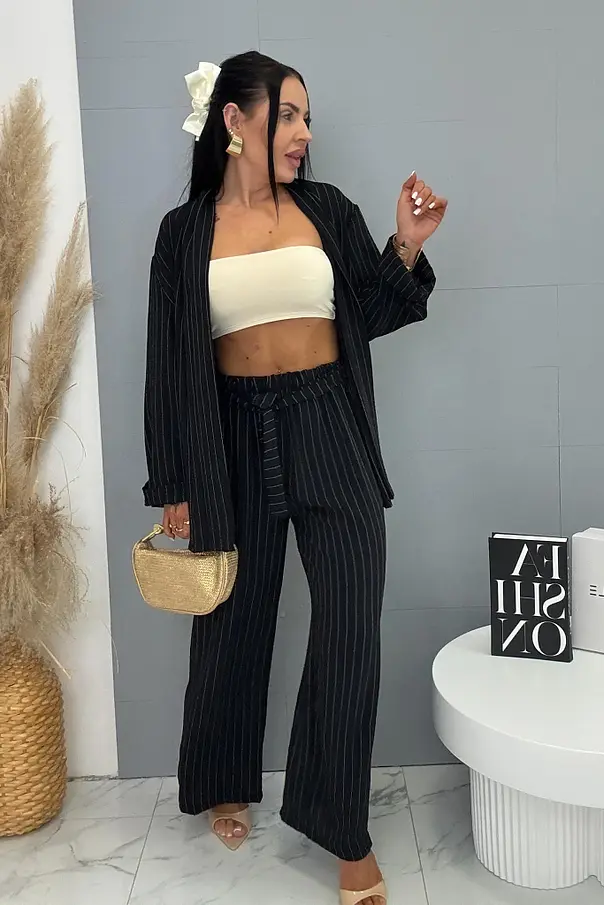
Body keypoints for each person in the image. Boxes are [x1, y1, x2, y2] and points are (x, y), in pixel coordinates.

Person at [143, 50, 446, 905]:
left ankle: (343, 829)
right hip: (231, 435)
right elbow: (167, 364)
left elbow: (370, 313)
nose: (305, 133)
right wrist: (173, 478)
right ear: (234, 121)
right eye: (288, 114)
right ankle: (224, 777)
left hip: (329, 425)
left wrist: (404, 246)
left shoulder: (328, 210)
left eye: (307, 117)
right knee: (233, 620)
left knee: (350, 628)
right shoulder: (183, 232)